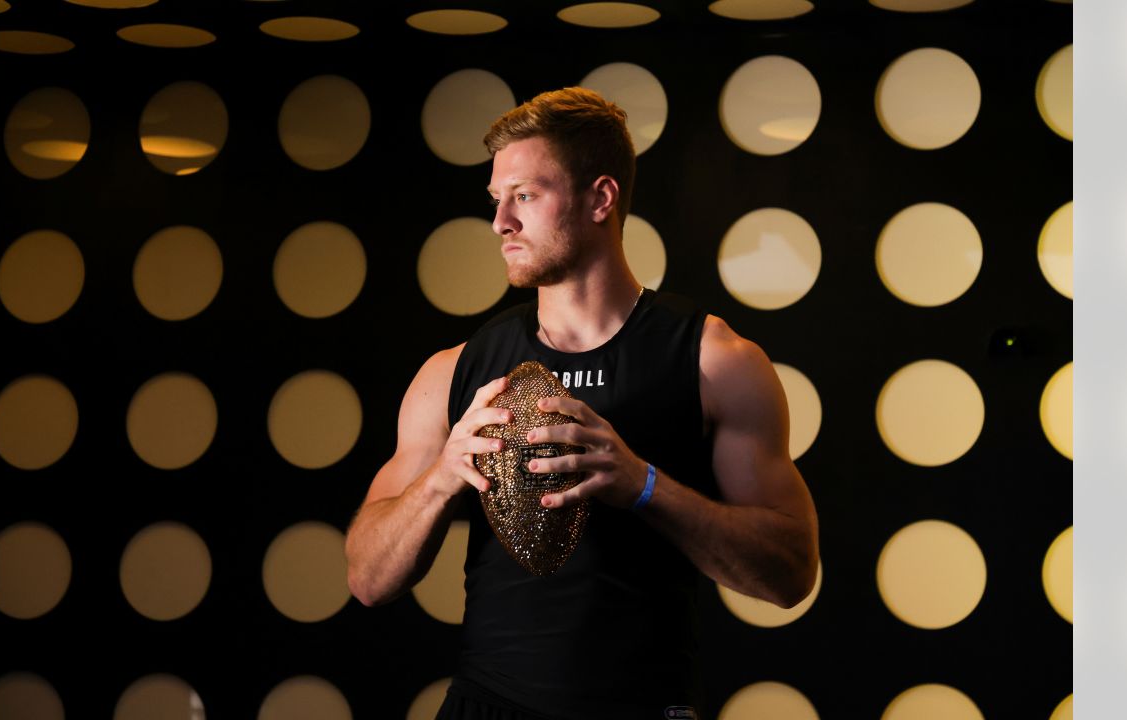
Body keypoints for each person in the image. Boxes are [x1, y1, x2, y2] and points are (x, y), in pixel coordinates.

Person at [345, 87, 819, 720]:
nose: (500, 224)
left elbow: (790, 574)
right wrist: (441, 479)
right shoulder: (455, 372)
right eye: (497, 200)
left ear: (601, 198)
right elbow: (367, 580)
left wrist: (644, 485)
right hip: (490, 707)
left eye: (526, 197)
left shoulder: (713, 361)